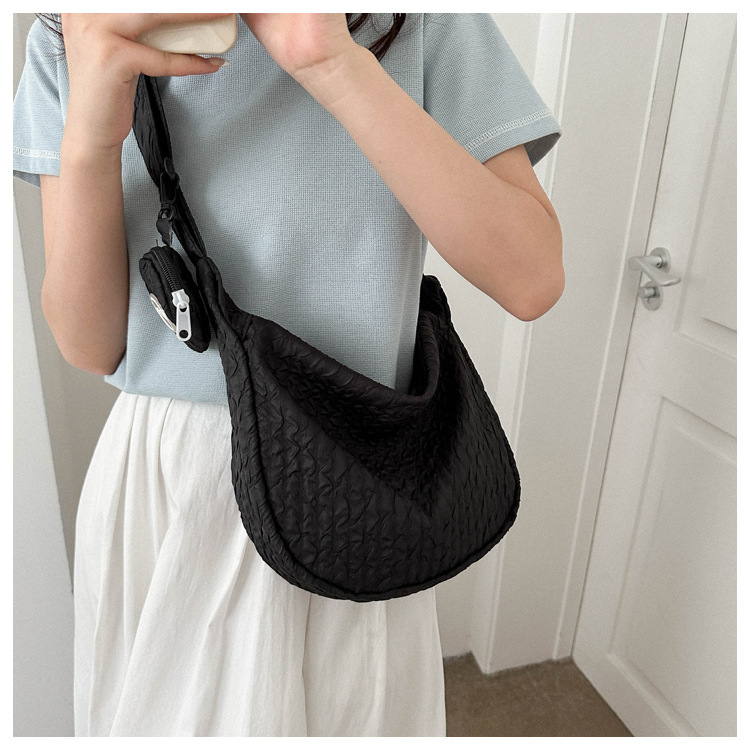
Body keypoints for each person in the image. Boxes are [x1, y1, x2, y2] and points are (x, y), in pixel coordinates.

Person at [13, 12, 564, 737]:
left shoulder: (420, 21)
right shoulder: (74, 31)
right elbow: (89, 345)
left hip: (354, 475)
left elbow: (532, 278)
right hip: (170, 480)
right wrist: (90, 138)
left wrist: (331, 62)